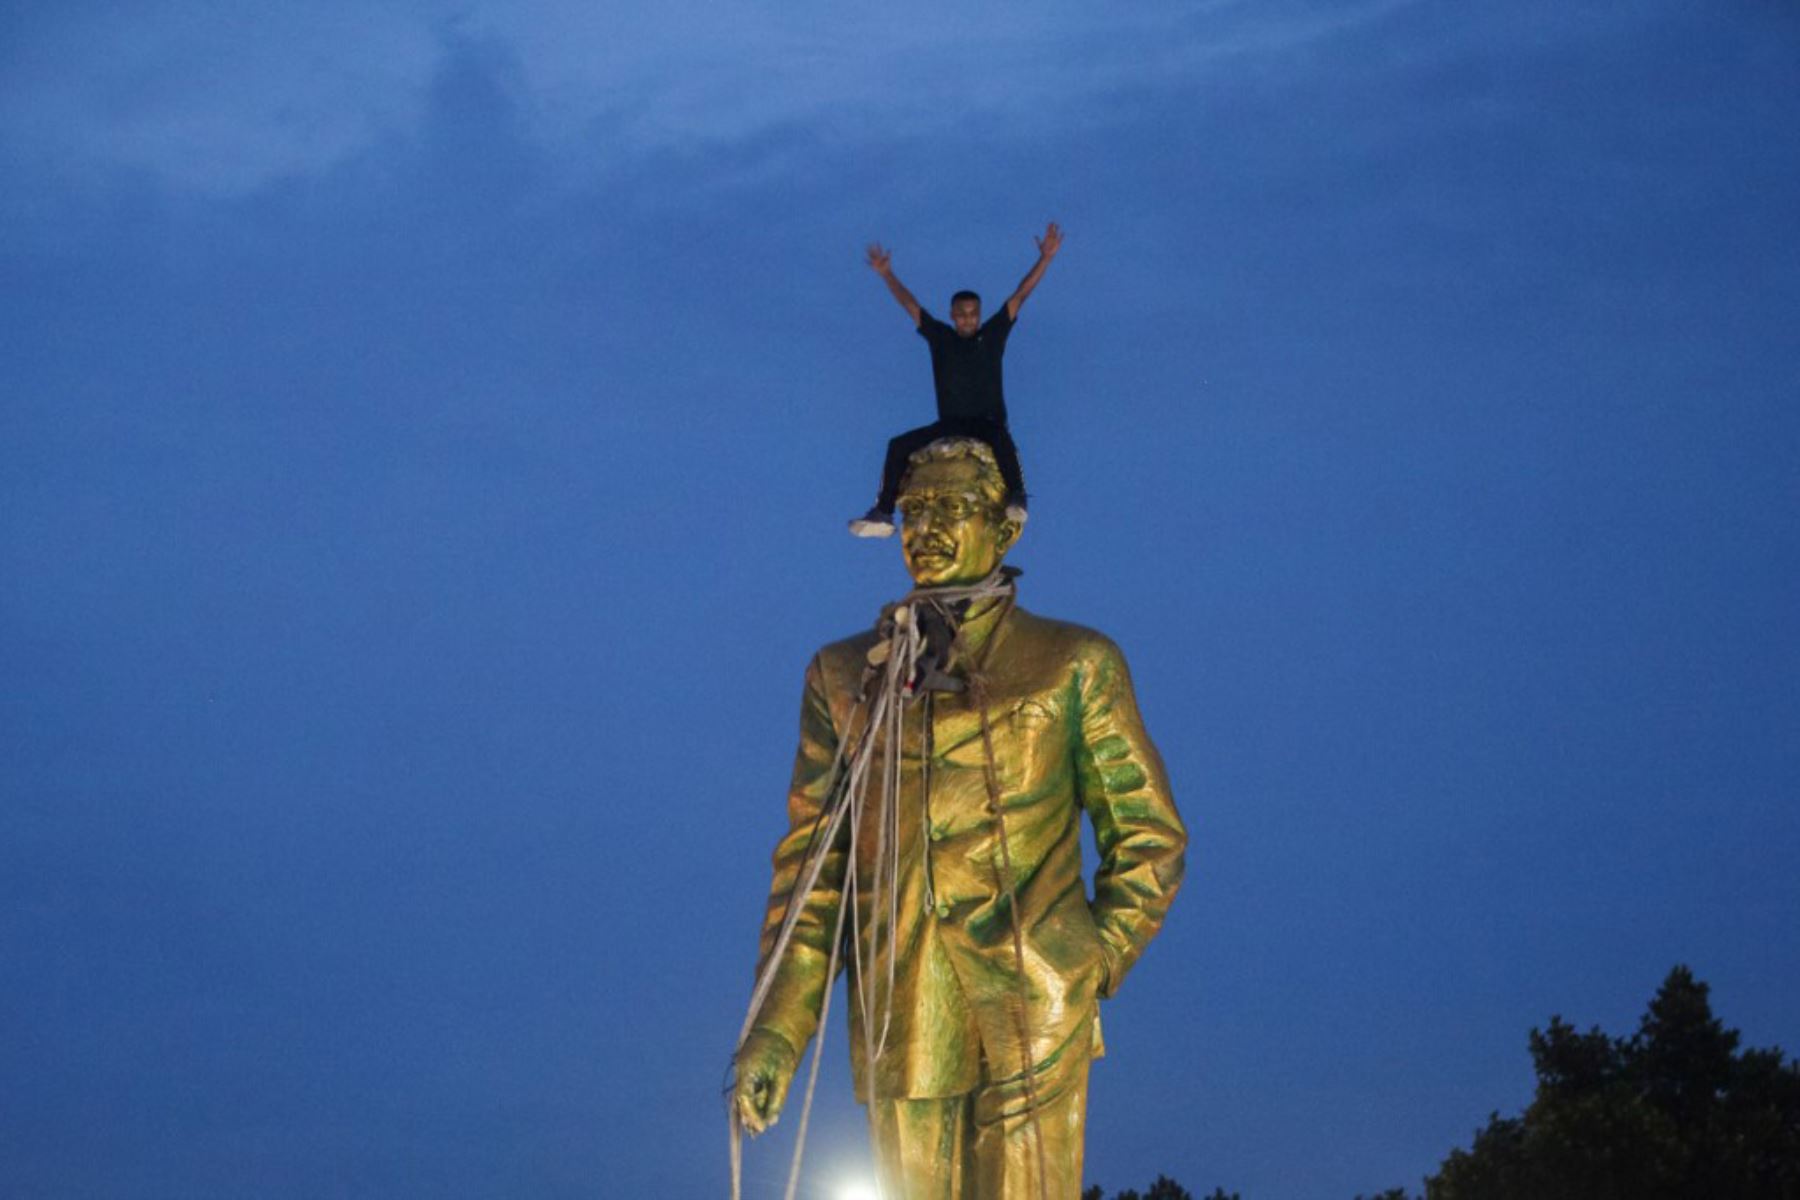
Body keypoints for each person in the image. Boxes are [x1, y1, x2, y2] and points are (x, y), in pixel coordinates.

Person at [735, 437, 1186, 1199]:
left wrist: (1088, 961)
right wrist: (777, 1028)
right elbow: (814, 871)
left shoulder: (1073, 661)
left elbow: (1149, 836)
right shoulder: (843, 676)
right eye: (915, 511)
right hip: (901, 1011)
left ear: (1005, 530)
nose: (927, 528)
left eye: (954, 508)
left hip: (1035, 1007)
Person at [850, 224, 1063, 538]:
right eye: (961, 314)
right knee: (897, 445)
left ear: (979, 315)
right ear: (952, 315)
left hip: (986, 422)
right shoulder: (942, 339)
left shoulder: (991, 336)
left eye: (973, 314)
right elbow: (911, 306)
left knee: (1001, 439)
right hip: (950, 424)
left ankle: (1017, 496)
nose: (967, 319)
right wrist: (886, 274)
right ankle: (883, 512)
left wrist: (1045, 259)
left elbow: (1021, 294)